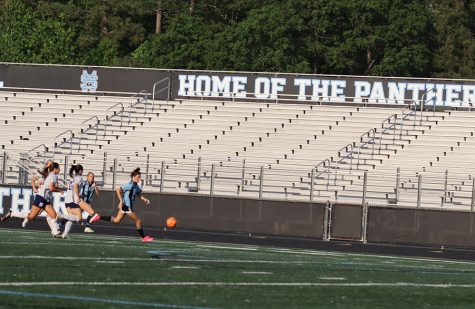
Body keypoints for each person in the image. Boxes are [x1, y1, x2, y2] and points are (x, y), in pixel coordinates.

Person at [1, 162, 78, 238]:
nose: (59, 170)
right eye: (58, 168)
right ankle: (12, 213)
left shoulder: (52, 175)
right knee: (31, 217)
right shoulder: (53, 176)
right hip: (41, 197)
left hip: (45, 199)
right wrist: (59, 190)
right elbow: (51, 188)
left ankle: (55, 232)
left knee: (54, 215)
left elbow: (46, 177)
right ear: (55, 169)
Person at [98, 168, 153, 242]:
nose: (139, 179)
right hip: (127, 207)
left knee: (116, 220)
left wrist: (145, 199)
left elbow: (138, 194)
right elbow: (118, 189)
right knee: (138, 221)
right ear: (133, 177)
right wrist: (120, 201)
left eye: (140, 177)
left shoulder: (136, 186)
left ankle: (99, 217)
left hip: (125, 206)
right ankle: (143, 238)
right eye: (138, 177)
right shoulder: (129, 185)